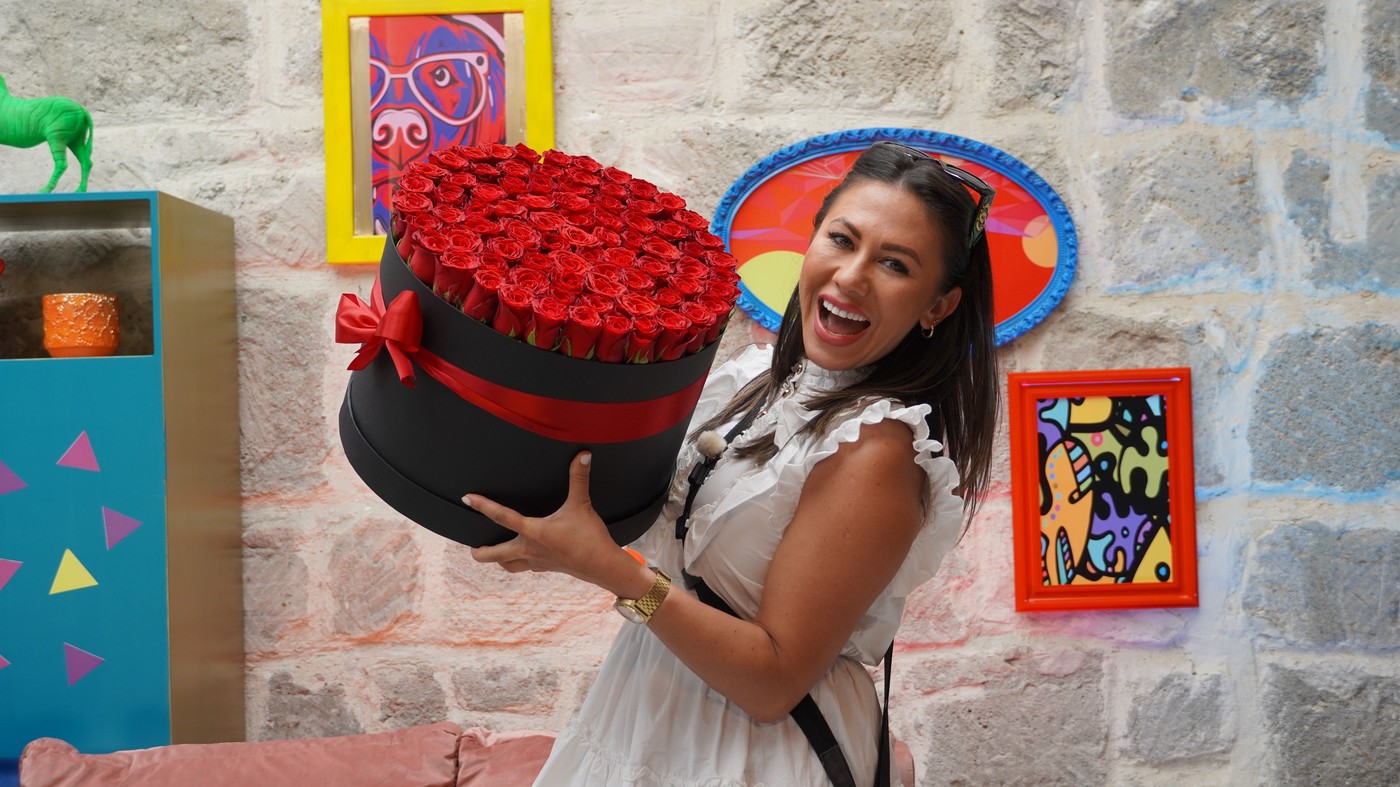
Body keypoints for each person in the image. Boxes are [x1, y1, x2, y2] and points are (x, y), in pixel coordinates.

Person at [465, 141, 1000, 786]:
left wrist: (611, 570)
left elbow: (773, 681)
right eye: (841, 240)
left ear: (939, 305)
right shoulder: (761, 380)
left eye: (895, 264)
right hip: (654, 703)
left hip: (756, 752)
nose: (852, 277)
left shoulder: (875, 448)